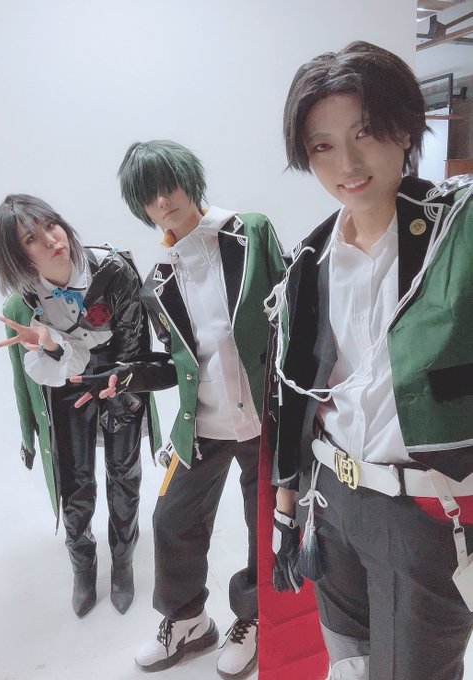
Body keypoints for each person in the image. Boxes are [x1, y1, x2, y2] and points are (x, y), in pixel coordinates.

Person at [267, 40, 473, 679]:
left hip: (425, 510)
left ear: (405, 129)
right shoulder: (310, 260)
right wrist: (287, 503)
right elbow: (298, 395)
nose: (348, 164)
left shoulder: (457, 230)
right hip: (331, 498)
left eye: (365, 133)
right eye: (323, 146)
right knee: (350, 662)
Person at [76, 139, 286, 677]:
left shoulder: (251, 233)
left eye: (167, 186)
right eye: (148, 197)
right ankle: (189, 621)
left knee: (263, 524)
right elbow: (176, 365)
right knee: (171, 519)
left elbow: (293, 317)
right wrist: (125, 374)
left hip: (265, 417)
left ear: (189, 179)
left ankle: (256, 618)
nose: (162, 202)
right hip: (203, 425)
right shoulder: (160, 281)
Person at [0, 194, 172, 618]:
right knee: (74, 478)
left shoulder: (113, 270)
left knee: (124, 473)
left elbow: (133, 345)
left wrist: (120, 388)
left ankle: (123, 561)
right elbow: (33, 373)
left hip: (119, 374)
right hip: (66, 381)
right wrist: (51, 347)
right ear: (17, 255)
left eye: (50, 225)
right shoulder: (26, 298)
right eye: (31, 239)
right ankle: (82, 564)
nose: (51, 240)